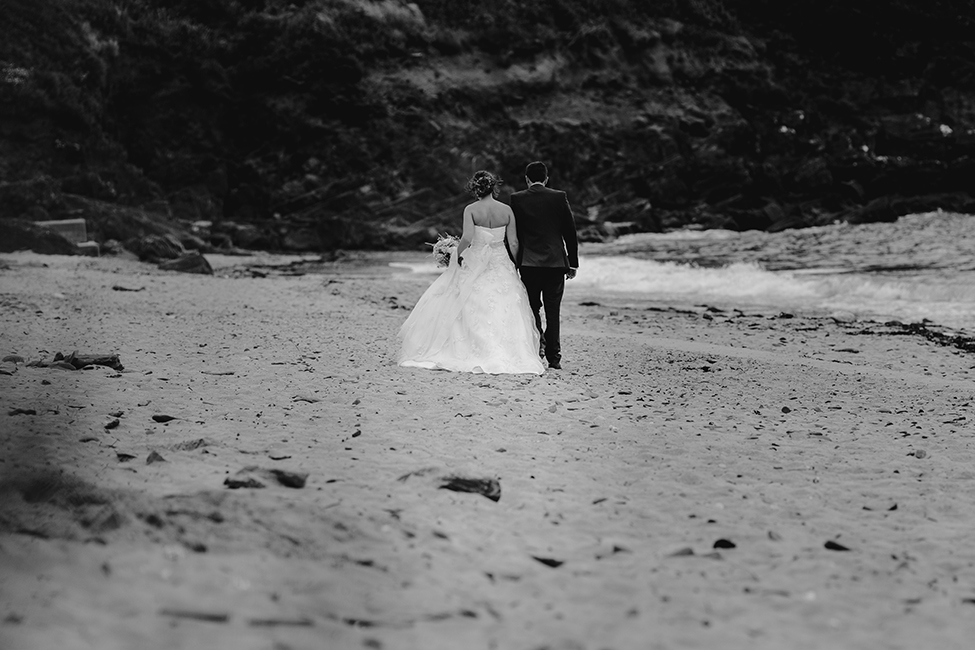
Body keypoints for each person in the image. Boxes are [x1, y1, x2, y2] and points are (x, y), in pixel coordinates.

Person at [397, 171, 545, 375]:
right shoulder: (507, 210)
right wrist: (516, 263)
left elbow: (467, 237)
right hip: (500, 261)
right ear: (494, 187)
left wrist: (456, 252)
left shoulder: (471, 210)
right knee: (506, 303)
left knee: (470, 301)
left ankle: (472, 347)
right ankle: (508, 351)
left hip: (476, 259)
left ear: (475, 189)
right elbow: (513, 242)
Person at [510, 161, 579, 370]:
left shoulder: (517, 199)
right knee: (553, 311)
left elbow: (513, 235)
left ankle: (538, 340)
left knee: (532, 308)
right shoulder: (559, 197)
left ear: (526, 179)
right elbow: (570, 231)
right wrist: (573, 263)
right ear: (546, 178)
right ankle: (554, 358)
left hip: (528, 264)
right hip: (556, 263)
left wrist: (512, 261)